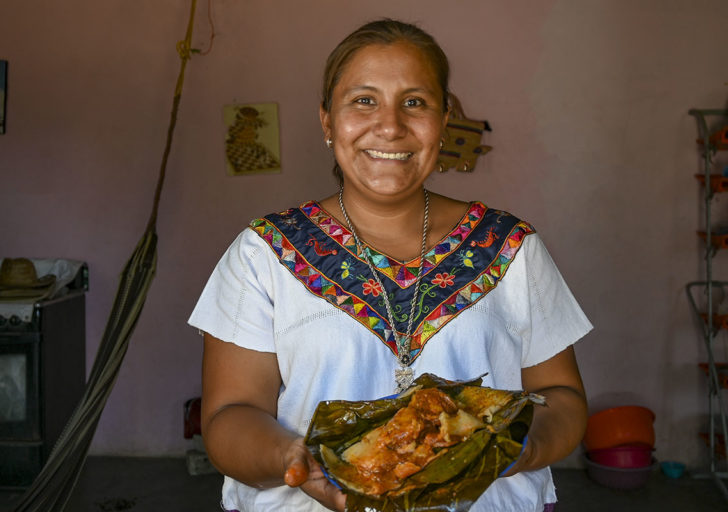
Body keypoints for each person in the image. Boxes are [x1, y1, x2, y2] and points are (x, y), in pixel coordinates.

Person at [189, 18, 592, 512]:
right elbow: (231, 414)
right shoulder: (263, 254)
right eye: (363, 100)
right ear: (326, 121)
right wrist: (295, 460)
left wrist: (505, 450)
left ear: (444, 120)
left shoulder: (510, 247)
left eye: (415, 102)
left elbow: (562, 397)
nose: (390, 125)